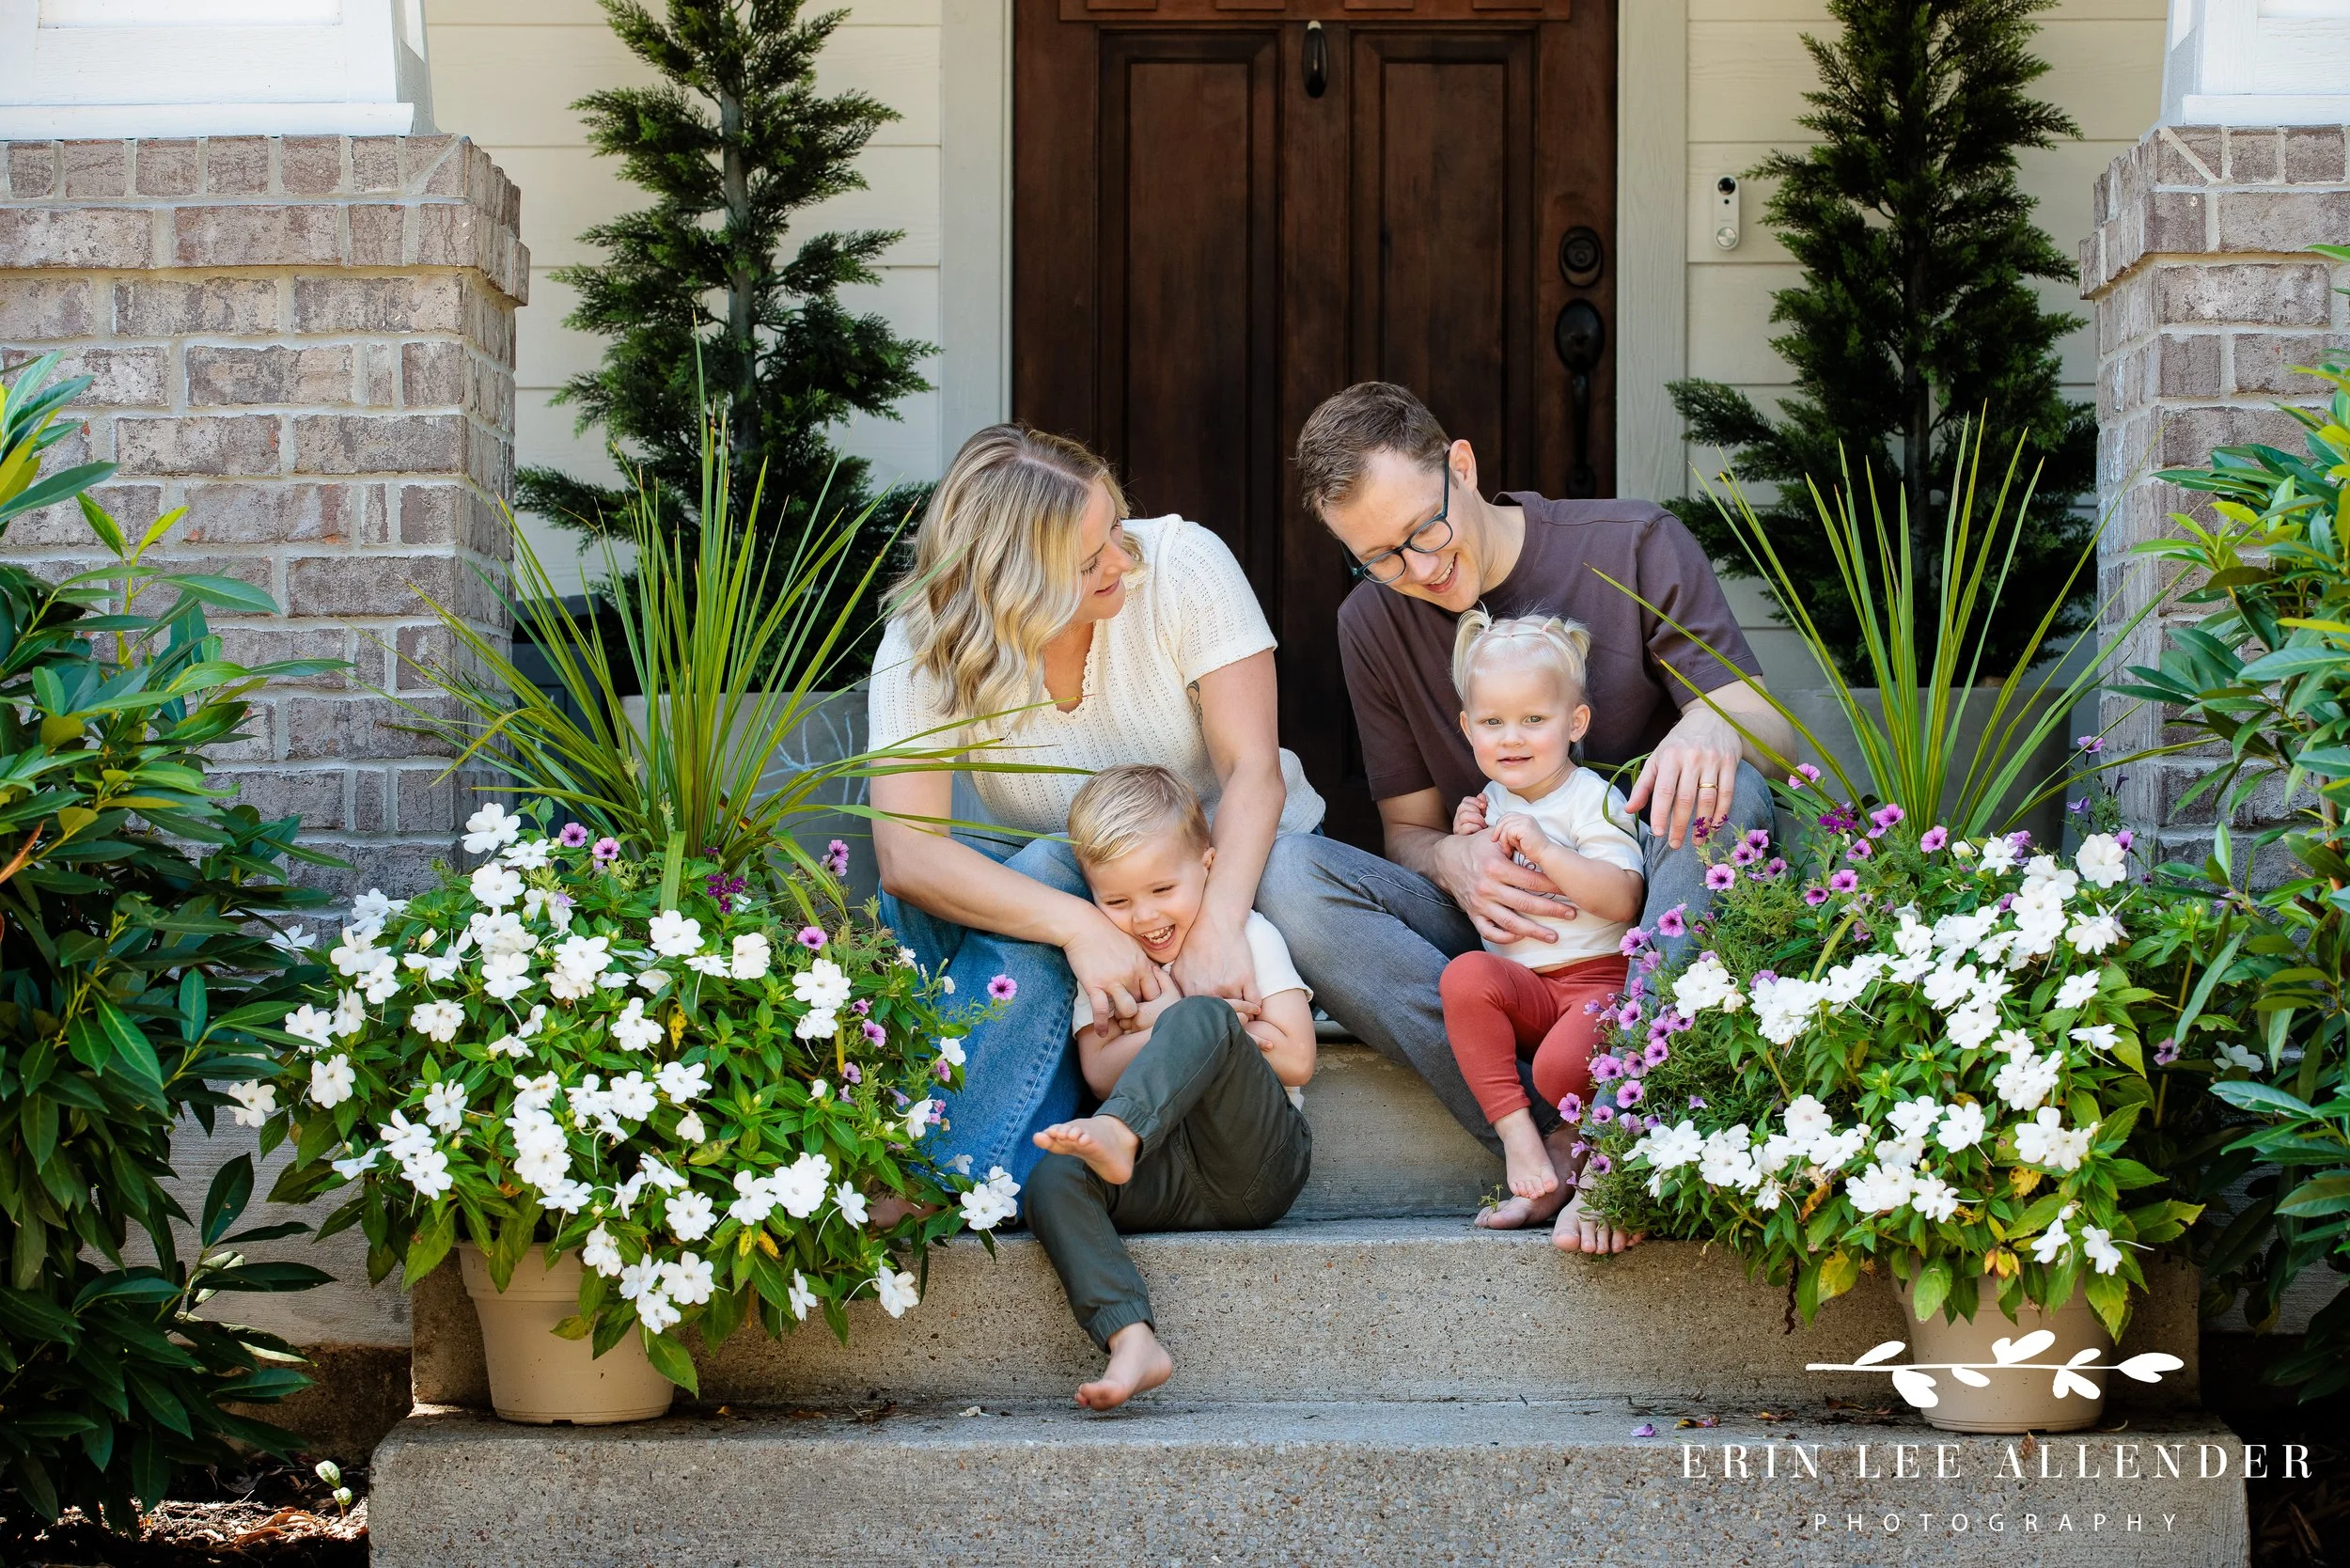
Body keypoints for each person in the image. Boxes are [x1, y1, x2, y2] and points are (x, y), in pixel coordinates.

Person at [1257, 381, 1796, 1248]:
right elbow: (1407, 830)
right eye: (1381, 559)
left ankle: (1625, 1136)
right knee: (1286, 873)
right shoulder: (1372, 622)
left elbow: (1767, 724)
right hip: (1507, 941)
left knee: (1720, 789)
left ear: (1461, 467)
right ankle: (1540, 1141)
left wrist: (1708, 723)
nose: (1420, 572)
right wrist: (1452, 863)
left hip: (1653, 914)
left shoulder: (1633, 541)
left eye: (1424, 533)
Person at [867, 426, 1324, 1194]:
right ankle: (960, 1157)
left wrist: (1214, 931)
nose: (1122, 559)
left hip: (1220, 868)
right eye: (1088, 561)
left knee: (1048, 865)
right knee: (1032, 871)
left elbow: (1254, 772)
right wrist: (1080, 925)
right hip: (1086, 901)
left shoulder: (1182, 568)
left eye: (1114, 525)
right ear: (1011, 582)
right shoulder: (928, 638)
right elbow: (907, 855)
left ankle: (955, 1178)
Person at [1025, 765, 1316, 1410]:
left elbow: (1295, 1057)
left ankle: (1119, 1133)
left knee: (1201, 1018)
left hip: (1253, 1163)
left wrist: (1184, 1025)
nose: (1145, 917)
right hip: (1163, 1176)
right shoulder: (1111, 965)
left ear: (1208, 867)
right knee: (1051, 1178)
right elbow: (1099, 1071)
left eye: (1162, 888)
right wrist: (1179, 1023)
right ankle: (1130, 1337)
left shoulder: (1248, 938)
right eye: (1118, 902)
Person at [1435, 613, 1645, 1251]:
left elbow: (1625, 899)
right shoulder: (1491, 800)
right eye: (1493, 723)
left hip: (1597, 983)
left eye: (1534, 720)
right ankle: (1517, 1134)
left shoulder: (1592, 797)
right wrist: (1465, 833)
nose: (1512, 739)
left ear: (1574, 724)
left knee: (1559, 1069)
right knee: (1464, 977)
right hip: (1524, 988)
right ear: (1469, 728)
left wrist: (1546, 850)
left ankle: (1574, 1154)